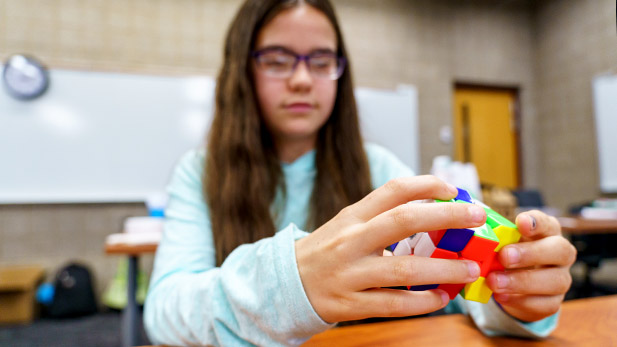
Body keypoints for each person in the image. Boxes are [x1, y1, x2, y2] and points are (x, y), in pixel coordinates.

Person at [144, 0, 576, 345]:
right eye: (277, 60)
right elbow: (165, 310)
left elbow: (457, 292)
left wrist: (514, 292)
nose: (300, 79)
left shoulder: (380, 169)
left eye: (320, 60)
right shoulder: (199, 173)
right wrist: (291, 288)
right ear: (243, 70)